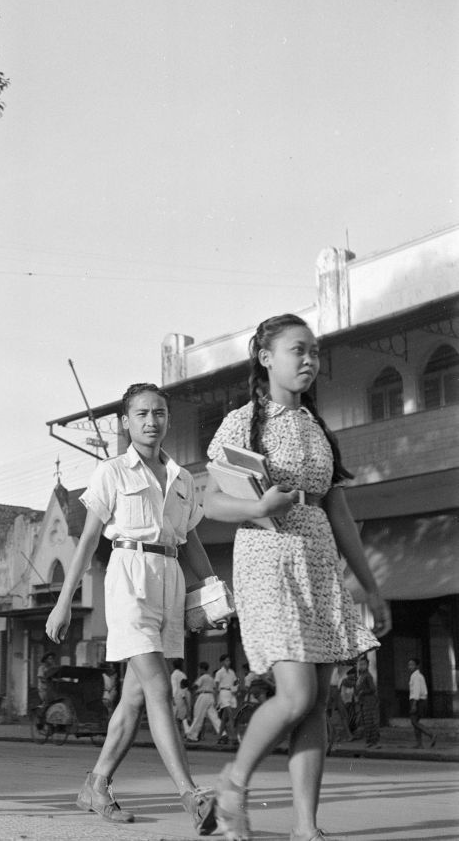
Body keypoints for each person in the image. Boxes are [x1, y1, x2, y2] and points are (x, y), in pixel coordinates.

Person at [203, 313, 390, 841]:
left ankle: (306, 829)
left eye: (314, 352)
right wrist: (258, 503)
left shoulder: (317, 428)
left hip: (318, 561)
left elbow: (342, 515)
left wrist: (369, 585)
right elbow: (210, 499)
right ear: (266, 358)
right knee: (296, 694)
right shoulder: (242, 422)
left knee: (318, 703)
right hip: (268, 557)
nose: (309, 360)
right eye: (297, 350)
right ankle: (233, 785)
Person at [46, 383, 220, 836]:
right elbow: (87, 540)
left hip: (171, 580)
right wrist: (64, 601)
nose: (151, 421)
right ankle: (191, 795)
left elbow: (191, 539)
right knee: (159, 687)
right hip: (129, 578)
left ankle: (96, 785)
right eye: (141, 413)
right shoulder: (112, 472)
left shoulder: (182, 479)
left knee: (136, 695)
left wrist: (216, 587)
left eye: (159, 413)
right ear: (126, 421)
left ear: (167, 418)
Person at [185, 662, 221, 743]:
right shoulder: (211, 678)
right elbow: (215, 688)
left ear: (201, 669)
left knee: (198, 716)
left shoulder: (202, 677)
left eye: (199, 669)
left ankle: (192, 736)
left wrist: (195, 682)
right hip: (211, 696)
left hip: (203, 695)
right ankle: (223, 734)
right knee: (214, 717)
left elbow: (195, 686)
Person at [407, 658, 436, 748]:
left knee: (414, 721)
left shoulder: (416, 677)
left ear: (417, 666)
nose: (410, 667)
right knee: (415, 722)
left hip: (418, 701)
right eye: (409, 665)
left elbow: (417, 691)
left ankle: (431, 734)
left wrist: (414, 704)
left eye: (412, 664)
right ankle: (419, 743)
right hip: (418, 700)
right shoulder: (415, 676)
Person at [353, 656, 380, 750]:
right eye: (360, 664)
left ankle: (374, 741)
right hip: (363, 702)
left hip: (369, 701)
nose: (361, 666)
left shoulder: (368, 676)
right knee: (366, 722)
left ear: (368, 665)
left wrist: (362, 692)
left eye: (363, 664)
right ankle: (369, 741)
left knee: (371, 721)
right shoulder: (361, 676)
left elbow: (372, 689)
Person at [215, 654, 239, 745]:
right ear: (222, 662)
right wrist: (216, 699)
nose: (228, 662)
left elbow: (236, 681)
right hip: (223, 693)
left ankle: (219, 736)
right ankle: (234, 737)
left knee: (225, 718)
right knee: (230, 714)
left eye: (229, 660)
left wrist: (236, 689)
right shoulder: (219, 673)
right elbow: (216, 685)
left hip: (231, 694)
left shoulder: (232, 672)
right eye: (226, 660)